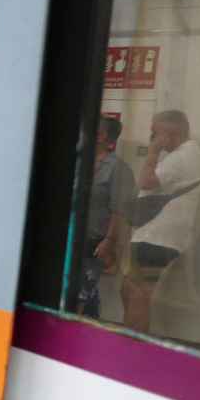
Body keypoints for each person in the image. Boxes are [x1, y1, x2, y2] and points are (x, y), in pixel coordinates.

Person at [124, 109, 200, 333]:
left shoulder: (182, 156)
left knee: (138, 295)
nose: (153, 139)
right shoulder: (187, 154)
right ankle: (131, 339)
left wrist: (152, 153)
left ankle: (133, 346)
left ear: (170, 133)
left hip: (157, 238)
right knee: (129, 289)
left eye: (155, 134)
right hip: (156, 235)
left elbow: (146, 182)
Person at [82, 116, 135, 318]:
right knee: (84, 294)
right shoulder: (82, 163)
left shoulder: (118, 169)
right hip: (74, 237)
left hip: (95, 243)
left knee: (82, 293)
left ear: (101, 136)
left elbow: (120, 211)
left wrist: (109, 242)